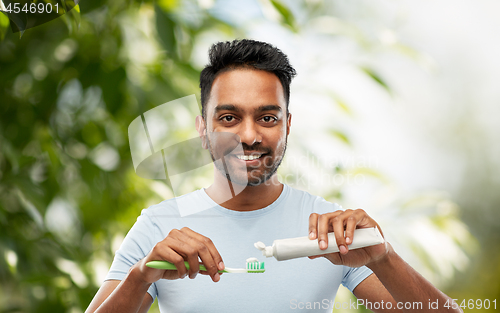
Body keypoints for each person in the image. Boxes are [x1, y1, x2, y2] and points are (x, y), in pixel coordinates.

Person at [86, 39, 462, 313]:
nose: (249, 136)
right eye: (229, 118)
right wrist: (139, 277)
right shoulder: (160, 226)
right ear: (203, 130)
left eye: (267, 118)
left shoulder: (332, 233)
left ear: (287, 126)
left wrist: (384, 257)